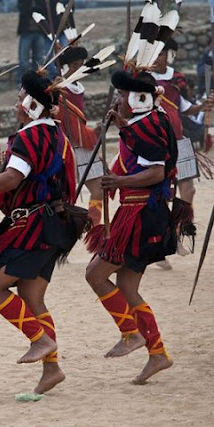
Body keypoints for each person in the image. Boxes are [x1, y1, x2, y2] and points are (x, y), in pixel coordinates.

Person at [0, 70, 78, 394]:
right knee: (33, 298)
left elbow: (11, 180)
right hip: (53, 224)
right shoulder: (56, 135)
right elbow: (32, 173)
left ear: (32, 105)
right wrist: (7, 163)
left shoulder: (28, 136)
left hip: (32, 227)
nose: (17, 102)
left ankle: (40, 340)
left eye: (22, 97)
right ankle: (52, 369)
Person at [85, 70, 178, 384]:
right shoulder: (144, 122)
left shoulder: (150, 125)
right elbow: (141, 151)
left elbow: (155, 172)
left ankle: (130, 333)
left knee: (95, 274)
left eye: (122, 95)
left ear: (138, 99)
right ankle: (158, 353)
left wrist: (118, 181)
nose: (117, 100)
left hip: (140, 216)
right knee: (127, 287)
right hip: (137, 212)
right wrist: (124, 126)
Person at [151, 39, 213, 259]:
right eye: (154, 53)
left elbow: (184, 108)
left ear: (169, 55)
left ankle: (177, 235)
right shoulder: (143, 80)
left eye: (161, 54)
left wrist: (203, 107)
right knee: (162, 194)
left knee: (188, 191)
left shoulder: (177, 79)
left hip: (180, 141)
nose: (157, 58)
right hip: (157, 144)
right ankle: (162, 238)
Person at [54, 46, 104, 226]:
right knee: (62, 196)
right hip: (65, 145)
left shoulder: (76, 86)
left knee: (98, 189)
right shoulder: (56, 86)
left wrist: (94, 131)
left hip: (82, 142)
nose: (79, 69)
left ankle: (93, 228)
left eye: (81, 65)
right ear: (66, 66)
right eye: (75, 65)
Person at [17, 0, 57, 85]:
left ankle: (36, 82)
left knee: (38, 59)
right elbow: (23, 10)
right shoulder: (24, 2)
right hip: (26, 32)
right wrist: (34, 10)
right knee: (24, 61)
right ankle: (22, 83)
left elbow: (44, 11)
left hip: (39, 32)